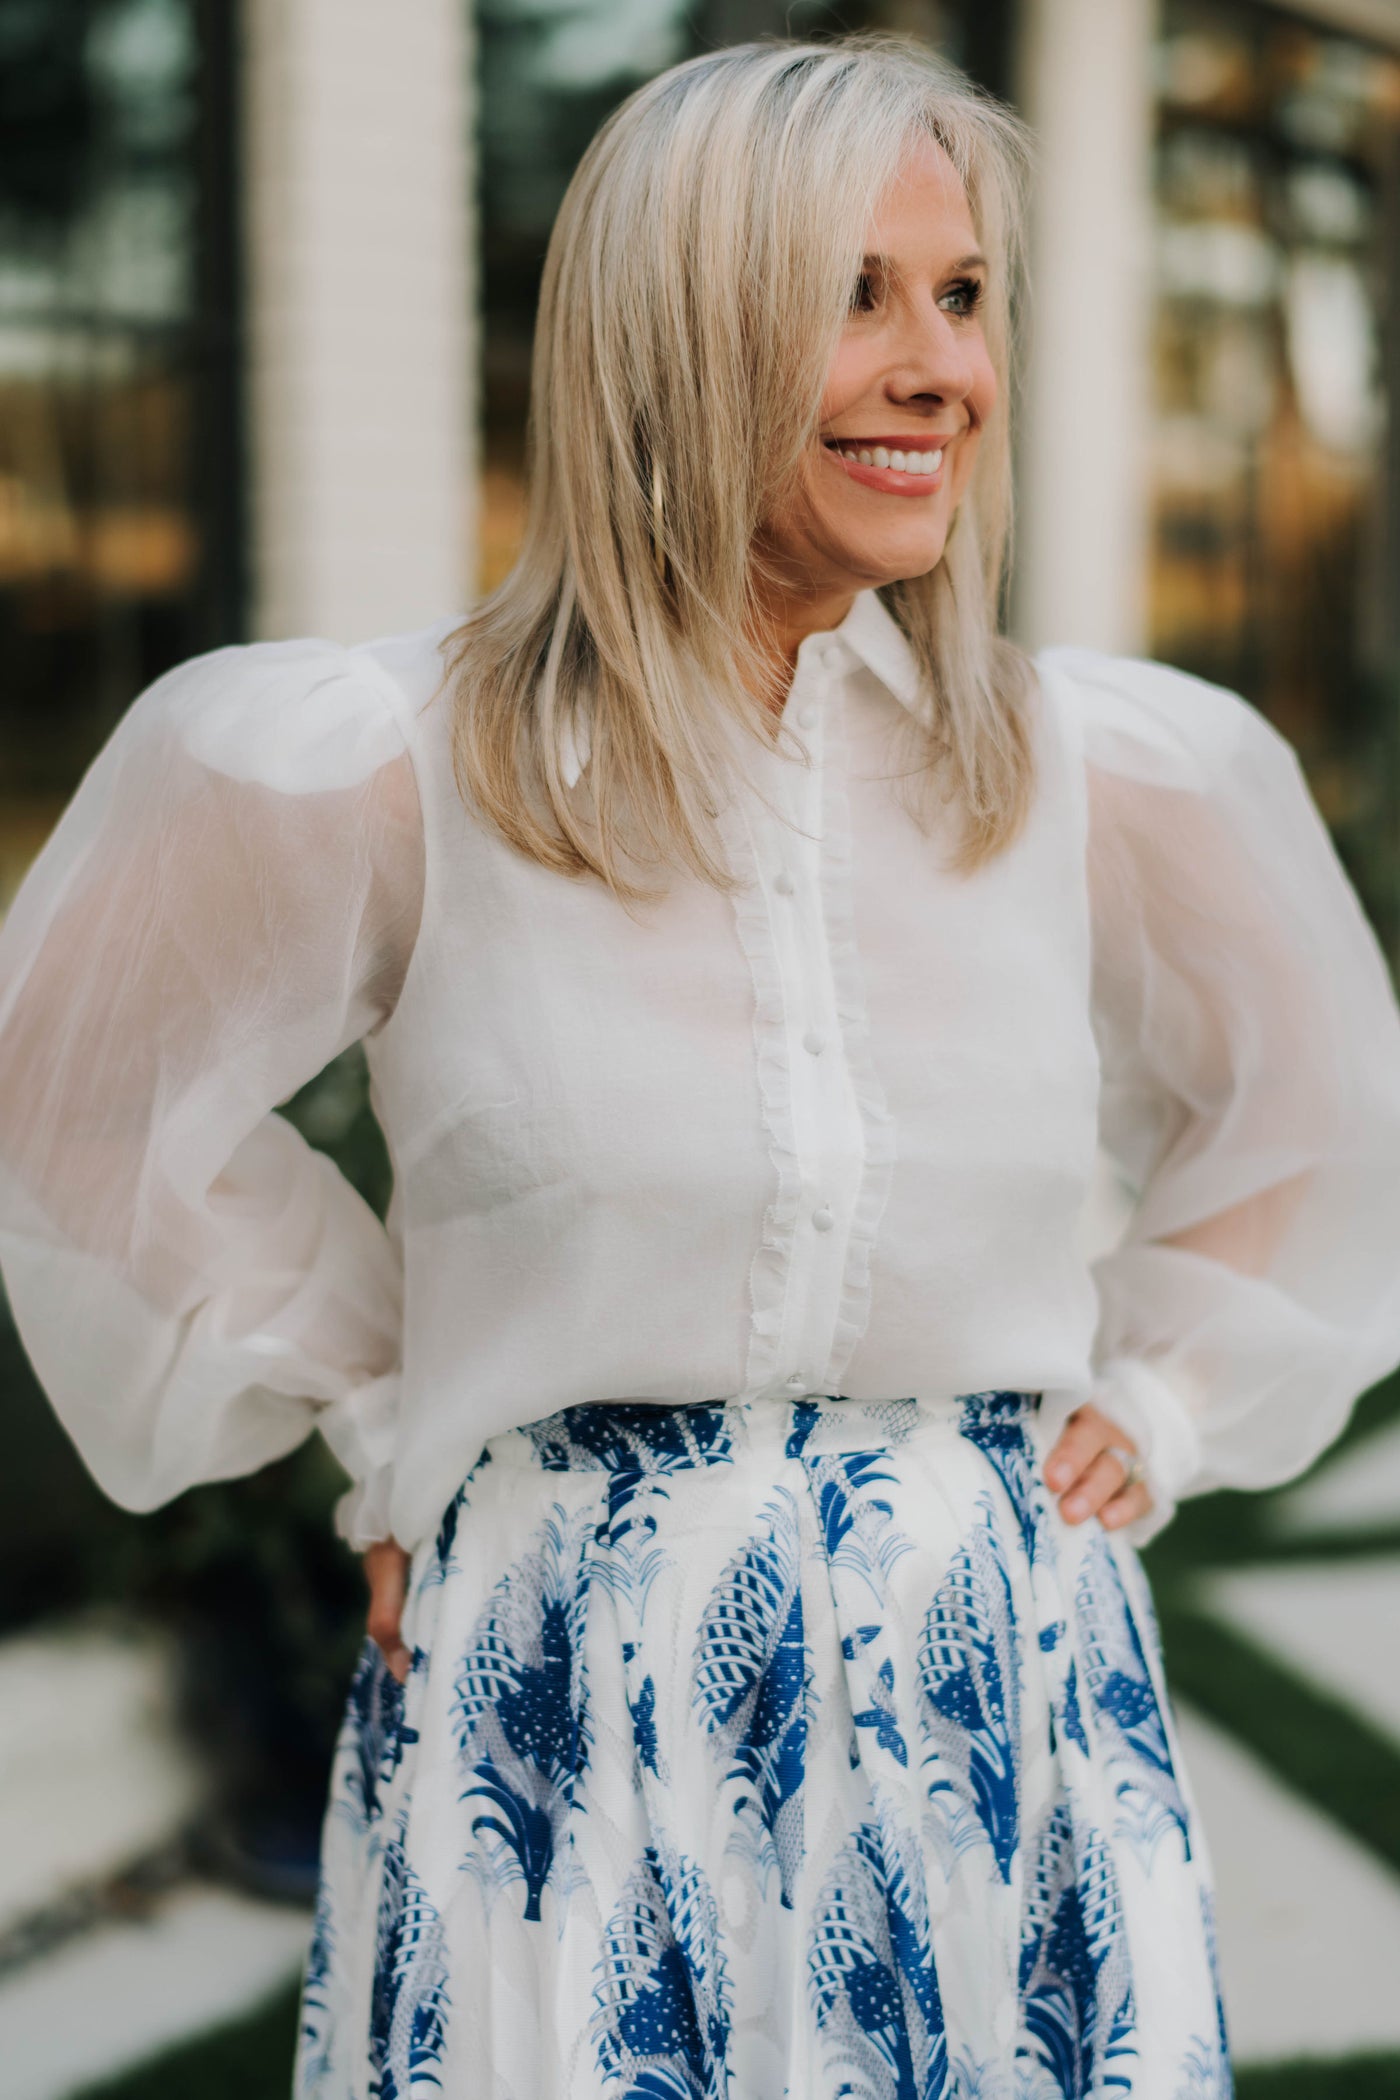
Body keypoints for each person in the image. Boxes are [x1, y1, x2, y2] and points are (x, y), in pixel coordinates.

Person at [3, 32, 1400, 2098]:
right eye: (854, 294)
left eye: (961, 293)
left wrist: (1169, 1393)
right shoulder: (386, 766)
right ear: (669, 336)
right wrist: (383, 1415)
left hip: (988, 1683)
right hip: (568, 1685)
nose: (940, 365)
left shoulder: (1096, 771)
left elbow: (1322, 1104)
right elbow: (74, 1113)